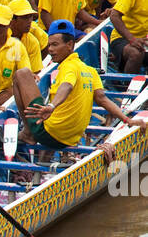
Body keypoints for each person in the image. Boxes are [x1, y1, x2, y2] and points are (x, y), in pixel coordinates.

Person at [24, 20, 138, 153]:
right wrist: (127, 120)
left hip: (51, 134)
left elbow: (67, 86)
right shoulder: (90, 70)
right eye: (49, 45)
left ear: (70, 45)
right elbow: (103, 99)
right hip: (70, 138)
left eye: (55, 45)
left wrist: (51, 106)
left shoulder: (69, 67)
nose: (50, 50)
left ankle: (27, 133)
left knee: (22, 74)